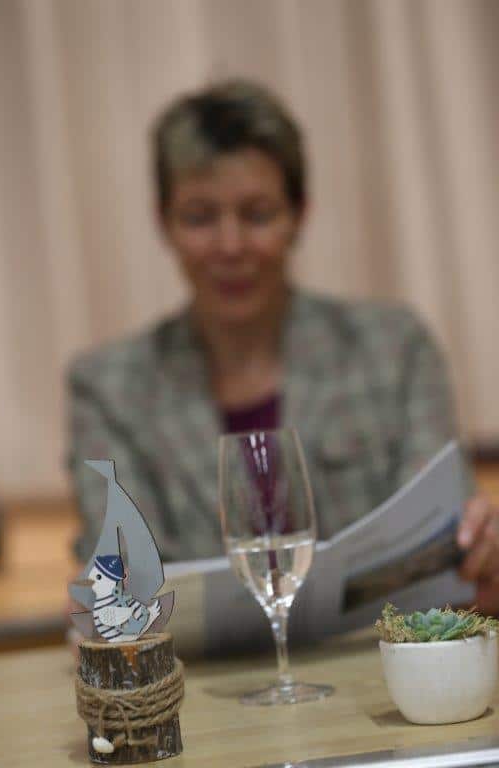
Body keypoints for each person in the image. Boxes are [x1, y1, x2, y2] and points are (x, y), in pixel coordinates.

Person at [67, 79, 499, 615]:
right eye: (200, 217)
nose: (230, 246)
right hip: (195, 671)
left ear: (299, 215)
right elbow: (123, 580)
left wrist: (479, 549)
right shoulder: (108, 388)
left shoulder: (392, 348)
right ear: (164, 223)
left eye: (257, 214)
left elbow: (448, 547)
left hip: (380, 656)